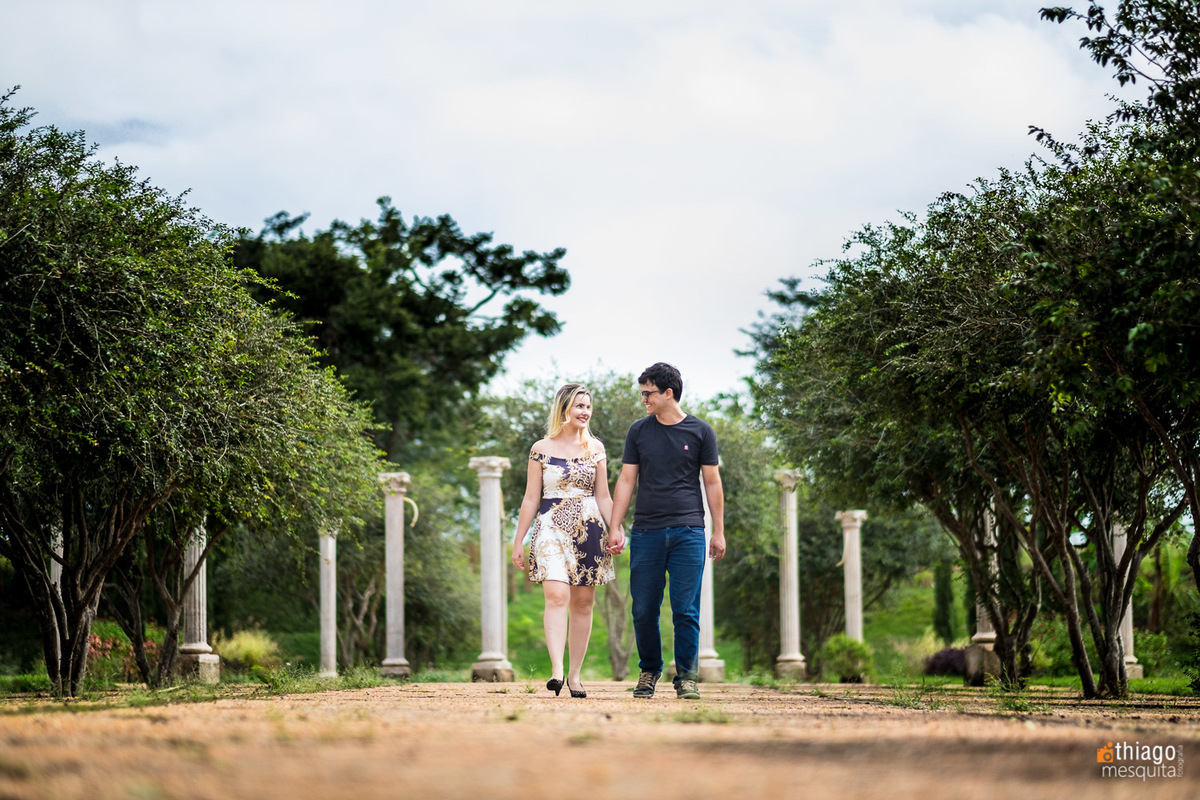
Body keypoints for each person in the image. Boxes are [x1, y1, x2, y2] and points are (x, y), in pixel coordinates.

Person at [608, 362, 724, 700]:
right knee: (643, 607)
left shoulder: (701, 432)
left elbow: (712, 482)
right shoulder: (639, 431)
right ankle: (649, 670)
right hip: (647, 531)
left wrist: (718, 531)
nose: (643, 399)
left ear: (668, 393)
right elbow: (627, 478)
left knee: (686, 609)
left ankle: (686, 676)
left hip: (689, 530)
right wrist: (615, 525)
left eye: (648, 393)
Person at [511, 383, 616, 699]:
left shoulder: (595, 448)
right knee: (556, 596)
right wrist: (519, 540)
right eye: (579, 406)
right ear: (564, 409)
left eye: (588, 406)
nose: (585, 412)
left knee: (583, 602)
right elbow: (531, 498)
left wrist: (617, 528)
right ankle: (556, 670)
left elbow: (604, 495)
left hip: (589, 528)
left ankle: (575, 676)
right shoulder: (540, 448)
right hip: (549, 527)